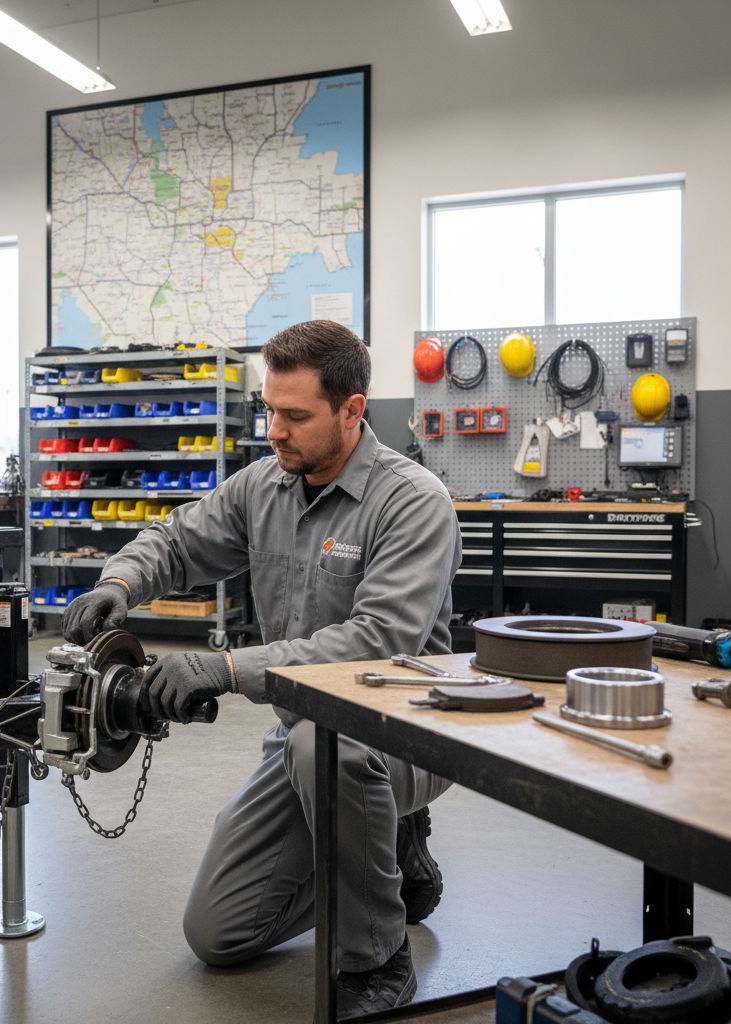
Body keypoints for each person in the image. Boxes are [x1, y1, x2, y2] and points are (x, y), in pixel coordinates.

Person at [61, 320, 462, 1017]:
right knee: (219, 933)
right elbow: (178, 541)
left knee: (324, 746)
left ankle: (377, 956)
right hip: (306, 734)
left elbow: (376, 639)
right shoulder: (266, 484)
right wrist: (119, 584)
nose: (275, 430)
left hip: (408, 727)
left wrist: (225, 668)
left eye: (296, 416)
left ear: (352, 410)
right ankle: (388, 851)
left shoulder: (413, 501)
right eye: (268, 410)